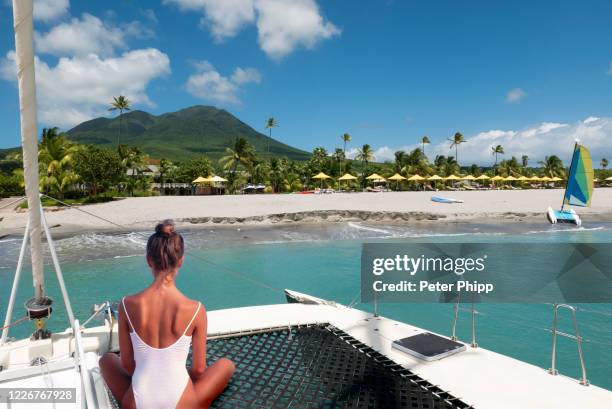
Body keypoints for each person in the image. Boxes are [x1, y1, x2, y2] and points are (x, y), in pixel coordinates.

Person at [100, 220, 235, 409]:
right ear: (181, 260)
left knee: (106, 360)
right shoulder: (196, 309)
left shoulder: (126, 305)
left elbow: (128, 365)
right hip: (182, 403)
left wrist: (152, 381)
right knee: (226, 365)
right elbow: (197, 370)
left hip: (138, 402)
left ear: (149, 260)